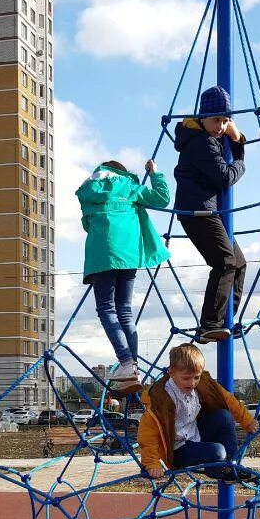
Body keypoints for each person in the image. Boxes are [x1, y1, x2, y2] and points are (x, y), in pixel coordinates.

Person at [77, 158, 172, 391]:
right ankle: (133, 366)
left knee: (107, 309)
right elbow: (163, 198)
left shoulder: (88, 190)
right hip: (128, 254)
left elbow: (86, 224)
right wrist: (156, 173)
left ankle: (126, 362)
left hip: (101, 255)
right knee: (125, 311)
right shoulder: (131, 188)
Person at [173, 85, 247, 344]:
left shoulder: (206, 138)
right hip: (198, 211)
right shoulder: (200, 142)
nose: (220, 126)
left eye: (226, 121)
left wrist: (234, 140)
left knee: (238, 263)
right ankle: (209, 324)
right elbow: (225, 176)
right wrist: (239, 153)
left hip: (208, 209)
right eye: (216, 119)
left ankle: (225, 319)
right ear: (202, 118)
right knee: (225, 262)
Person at [137, 342, 257, 480]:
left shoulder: (203, 384)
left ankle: (231, 466)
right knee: (218, 451)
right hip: (178, 449)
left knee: (224, 416)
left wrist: (247, 421)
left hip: (196, 435)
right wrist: (151, 463)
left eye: (196, 377)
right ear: (171, 373)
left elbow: (229, 400)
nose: (192, 383)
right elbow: (148, 434)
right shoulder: (161, 398)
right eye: (186, 378)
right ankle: (219, 470)